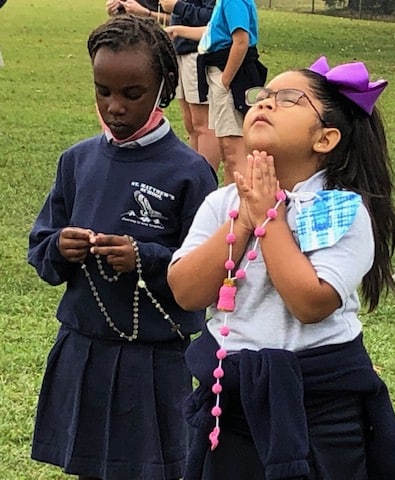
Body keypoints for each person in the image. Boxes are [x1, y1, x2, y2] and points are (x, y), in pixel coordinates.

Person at [167, 57, 395, 479]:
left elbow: (310, 301)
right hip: (231, 402)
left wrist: (268, 219)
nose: (265, 104)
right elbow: (186, 292)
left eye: (289, 99)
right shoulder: (222, 203)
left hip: (319, 407)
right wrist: (243, 220)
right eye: (262, 97)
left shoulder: (341, 210)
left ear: (326, 139)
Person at [27, 14, 217, 480]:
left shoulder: (190, 172)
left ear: (163, 89)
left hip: (152, 357)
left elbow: (208, 272)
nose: (115, 107)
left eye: (132, 94)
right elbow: (40, 250)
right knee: (90, 466)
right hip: (83, 346)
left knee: (154, 470)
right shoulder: (76, 161)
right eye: (103, 91)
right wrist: (59, 247)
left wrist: (144, 257)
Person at [106, 0, 222, 170]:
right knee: (190, 124)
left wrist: (176, 6)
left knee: (203, 124)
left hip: (199, 54)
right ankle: (195, 173)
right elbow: (167, 15)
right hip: (180, 51)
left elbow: (214, 19)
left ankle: (205, 180)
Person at [165, 0, 267, 185]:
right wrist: (178, 30)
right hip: (221, 72)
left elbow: (241, 41)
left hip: (231, 75)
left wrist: (225, 80)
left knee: (233, 150)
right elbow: (214, 32)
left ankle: (240, 205)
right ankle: (228, 204)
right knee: (227, 149)